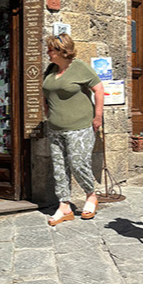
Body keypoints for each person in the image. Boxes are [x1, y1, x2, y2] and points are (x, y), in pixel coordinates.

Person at [42, 34, 104, 226]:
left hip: (79, 126)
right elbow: (46, 93)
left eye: (51, 49)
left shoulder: (79, 67)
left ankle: (91, 195)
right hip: (55, 128)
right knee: (60, 168)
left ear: (62, 51)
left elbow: (99, 89)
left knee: (78, 163)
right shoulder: (50, 70)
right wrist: (47, 113)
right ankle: (64, 206)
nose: (48, 52)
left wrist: (98, 116)